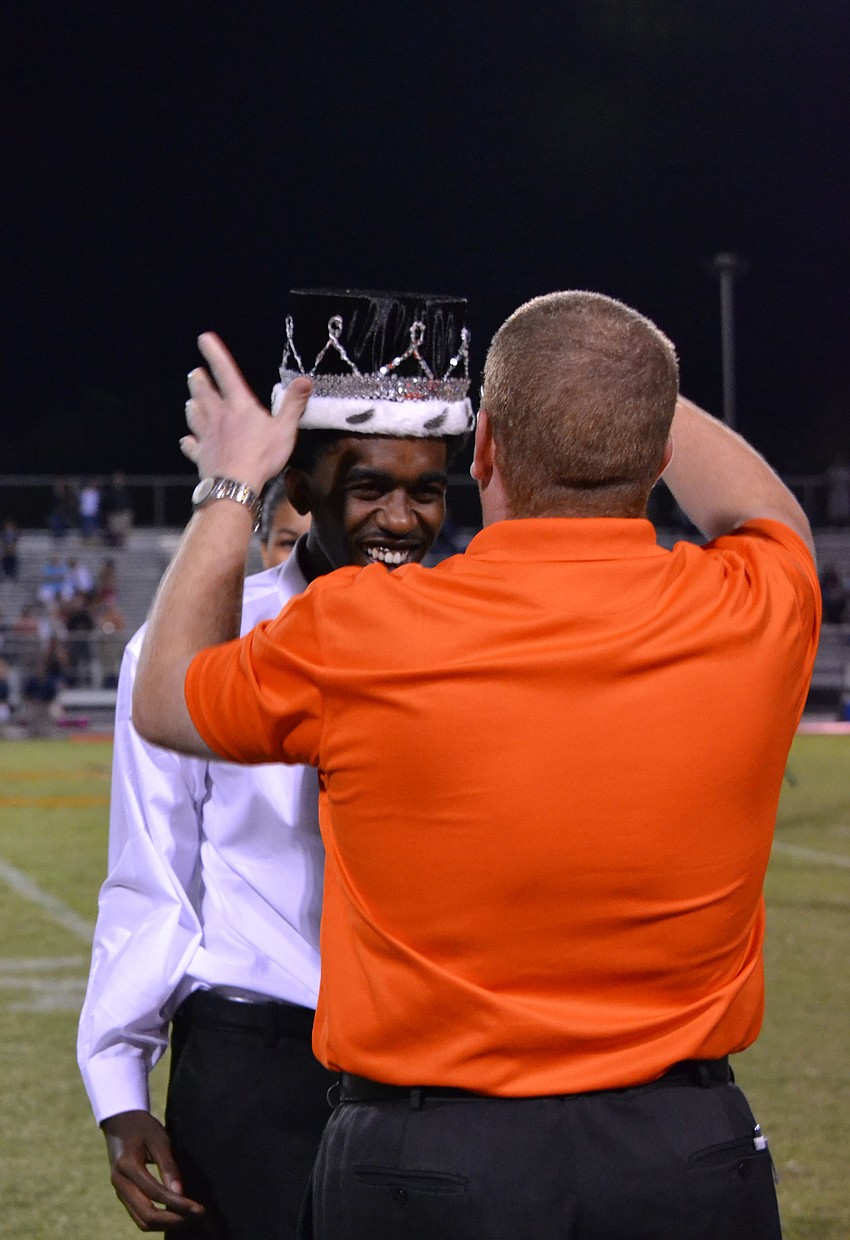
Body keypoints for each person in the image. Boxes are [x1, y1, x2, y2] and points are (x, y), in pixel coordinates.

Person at [133, 290, 819, 1240]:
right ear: (659, 458)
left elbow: (167, 696)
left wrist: (232, 486)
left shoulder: (362, 628)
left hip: (432, 1161)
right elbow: (761, 505)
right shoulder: (756, 609)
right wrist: (601, 371)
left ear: (483, 446)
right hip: (683, 1151)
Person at [78, 289, 472, 1239]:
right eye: (369, 484)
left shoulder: (476, 634)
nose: (401, 518)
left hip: (437, 1066)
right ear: (300, 485)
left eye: (425, 490)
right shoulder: (200, 640)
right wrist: (120, 1084)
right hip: (254, 1059)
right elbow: (152, 872)